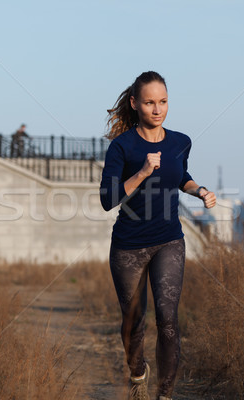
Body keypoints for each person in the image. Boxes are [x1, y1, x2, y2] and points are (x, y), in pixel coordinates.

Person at [99, 71, 216, 400]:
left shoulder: (181, 142)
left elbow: (182, 177)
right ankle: (137, 375)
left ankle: (164, 394)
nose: (157, 109)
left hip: (169, 241)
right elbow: (108, 199)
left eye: (162, 102)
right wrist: (142, 172)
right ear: (135, 104)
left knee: (167, 319)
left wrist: (200, 190)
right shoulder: (122, 147)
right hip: (128, 247)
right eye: (149, 102)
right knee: (134, 322)